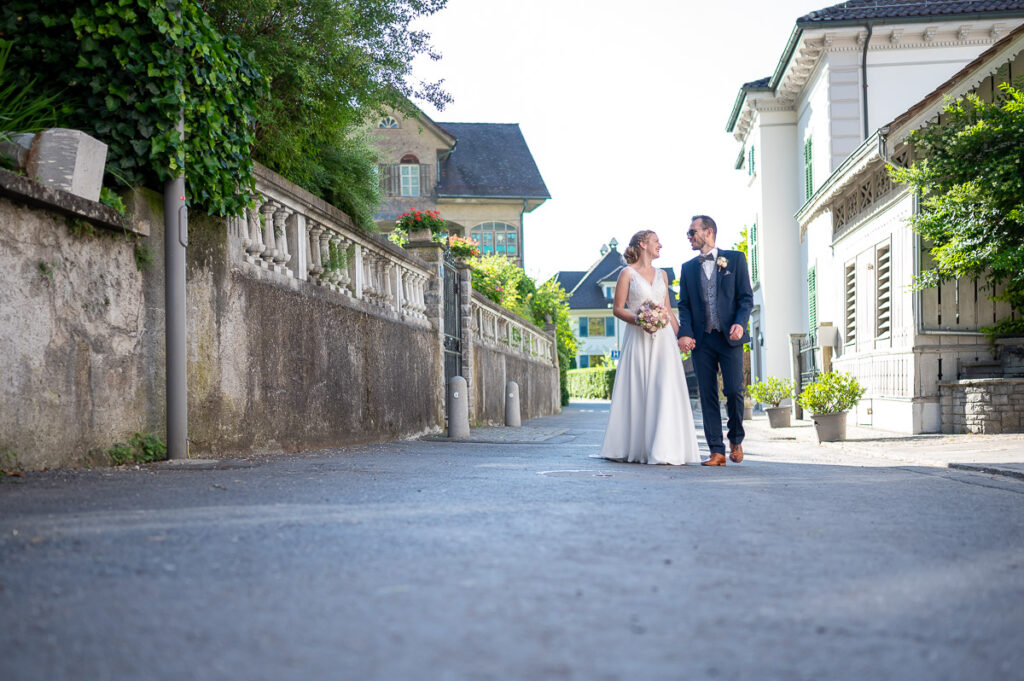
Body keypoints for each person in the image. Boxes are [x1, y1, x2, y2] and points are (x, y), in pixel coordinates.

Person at [597, 230, 700, 465]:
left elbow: (668, 310)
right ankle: (637, 446)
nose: (660, 245)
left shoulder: (663, 275)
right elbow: (618, 308)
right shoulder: (627, 274)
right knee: (640, 390)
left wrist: (682, 336)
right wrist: (641, 320)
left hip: (663, 343)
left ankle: (664, 448)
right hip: (639, 339)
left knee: (664, 390)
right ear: (643, 244)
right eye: (656, 241)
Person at [676, 215, 753, 466]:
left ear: (708, 232)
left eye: (692, 232)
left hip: (730, 337)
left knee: (733, 390)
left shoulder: (735, 259)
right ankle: (716, 451)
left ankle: (736, 438)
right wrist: (685, 332)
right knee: (706, 394)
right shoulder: (687, 268)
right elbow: (684, 305)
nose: (688, 236)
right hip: (702, 339)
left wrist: (740, 324)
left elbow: (745, 298)